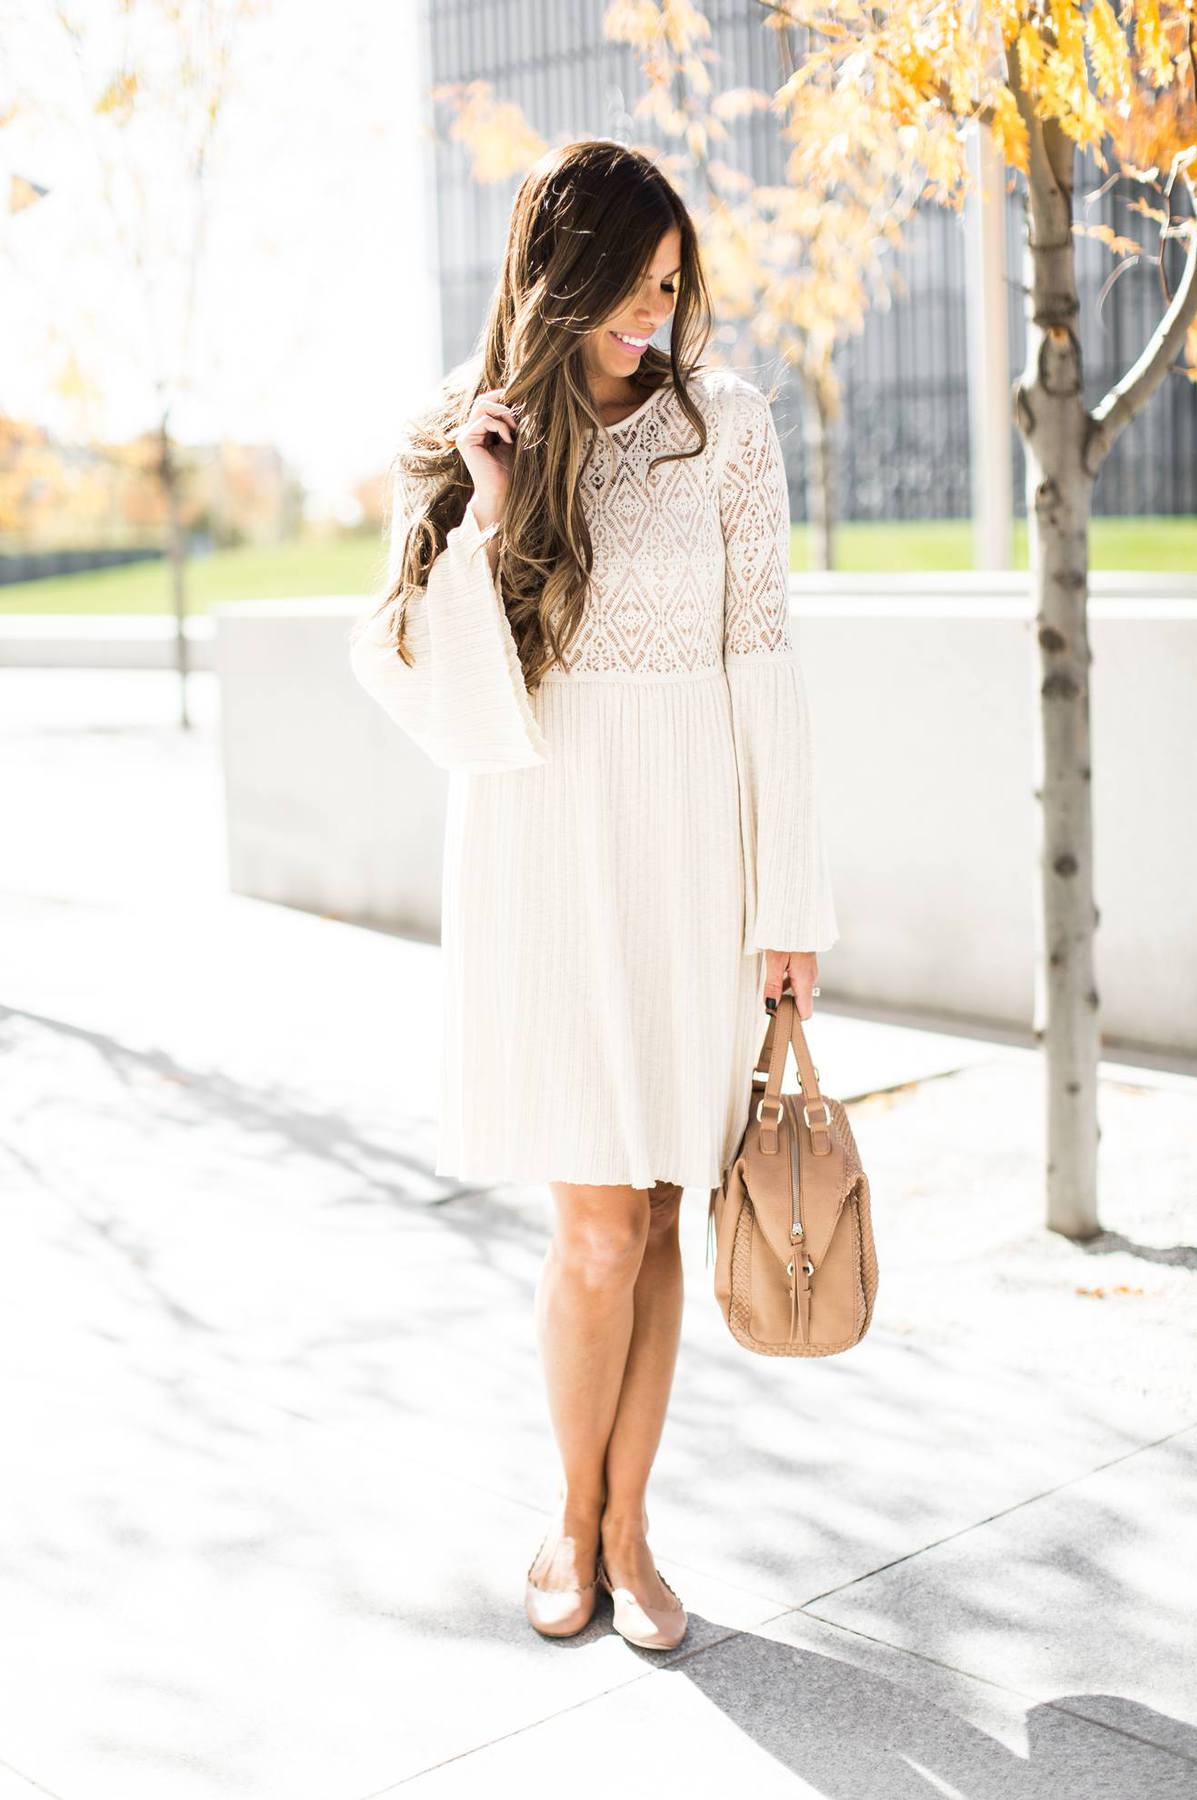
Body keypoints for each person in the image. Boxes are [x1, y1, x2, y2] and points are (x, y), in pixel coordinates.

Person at [348, 138, 838, 1652]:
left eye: (670, 292)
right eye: (628, 296)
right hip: (547, 859)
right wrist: (492, 511)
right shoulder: (463, 427)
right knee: (595, 1230)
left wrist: (790, 903)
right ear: (556, 288)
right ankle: (570, 1516)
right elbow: (431, 689)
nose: (652, 322)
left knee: (667, 1210)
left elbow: (765, 659)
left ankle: (634, 1525)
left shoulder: (729, 426)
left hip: (694, 852)